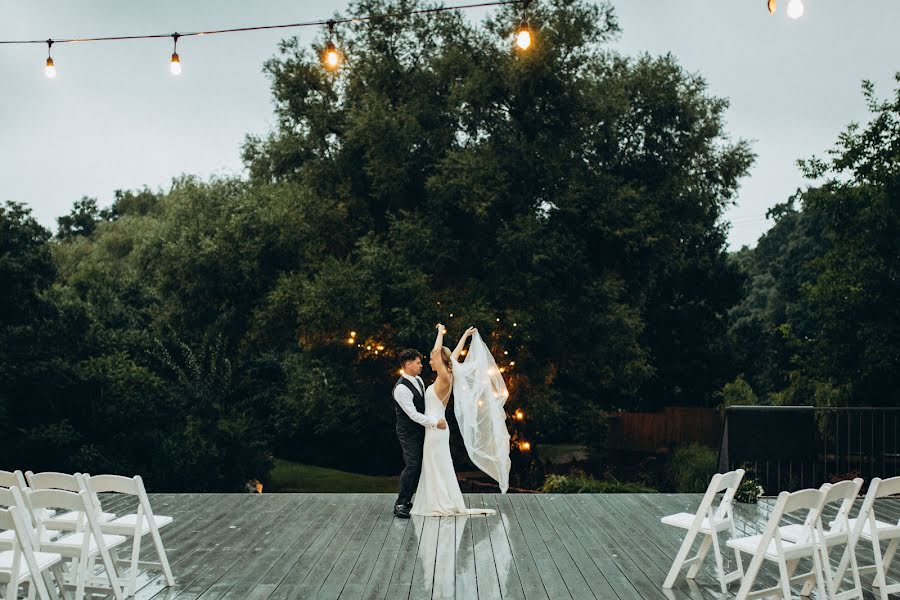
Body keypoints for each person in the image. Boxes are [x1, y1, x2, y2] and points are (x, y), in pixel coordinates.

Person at [392, 348, 447, 519]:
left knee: (421, 464)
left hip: (422, 430)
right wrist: (435, 424)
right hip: (408, 432)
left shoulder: (419, 381)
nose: (421, 365)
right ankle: (400, 503)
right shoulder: (401, 389)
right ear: (408, 364)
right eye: (417, 362)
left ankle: (408, 500)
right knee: (412, 464)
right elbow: (413, 414)